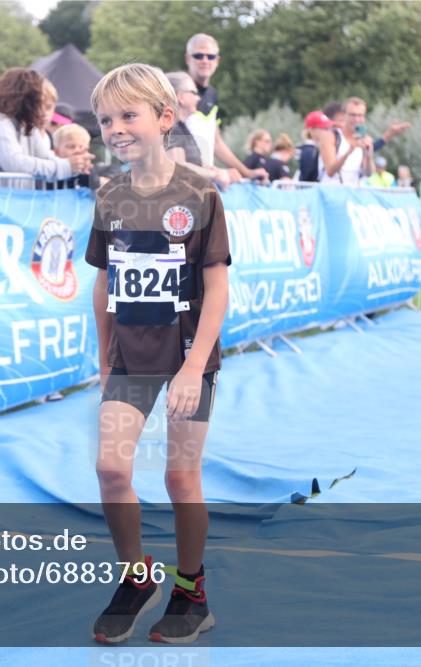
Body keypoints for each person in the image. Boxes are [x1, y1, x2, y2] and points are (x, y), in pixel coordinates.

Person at [86, 63, 229, 645]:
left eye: (127, 115)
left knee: (178, 476)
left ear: (164, 118)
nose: (114, 129)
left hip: (188, 356)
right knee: (112, 469)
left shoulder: (200, 193)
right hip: (130, 356)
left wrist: (194, 367)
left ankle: (191, 592)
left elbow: (217, 285)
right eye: (104, 120)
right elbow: (104, 282)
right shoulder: (109, 194)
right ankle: (137, 575)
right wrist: (103, 355)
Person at [0, 68, 92, 182]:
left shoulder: (26, 125)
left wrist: (78, 166)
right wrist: (67, 167)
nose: (41, 110)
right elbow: (15, 163)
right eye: (37, 102)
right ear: (23, 100)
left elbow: (45, 157)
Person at [183, 33, 267, 182]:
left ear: (217, 61)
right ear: (188, 58)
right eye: (198, 56)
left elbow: (216, 142)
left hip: (202, 183)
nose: (205, 61)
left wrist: (247, 172)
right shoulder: (176, 91)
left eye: (210, 56)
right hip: (178, 182)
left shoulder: (212, 94)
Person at [164, 71, 235, 188]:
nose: (198, 98)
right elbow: (177, 167)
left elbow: (193, 165)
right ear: (181, 97)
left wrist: (217, 171)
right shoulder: (173, 129)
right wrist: (214, 175)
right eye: (194, 92)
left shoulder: (181, 128)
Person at [318, 96, 374, 185]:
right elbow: (330, 172)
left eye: (360, 115)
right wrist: (350, 150)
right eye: (352, 115)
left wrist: (368, 155)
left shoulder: (363, 139)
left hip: (352, 194)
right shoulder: (331, 135)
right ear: (344, 115)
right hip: (330, 193)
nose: (356, 119)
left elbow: (369, 174)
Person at [297, 110, 337, 182]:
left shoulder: (317, 148)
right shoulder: (309, 151)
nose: (328, 131)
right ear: (311, 130)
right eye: (324, 128)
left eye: (328, 128)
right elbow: (308, 177)